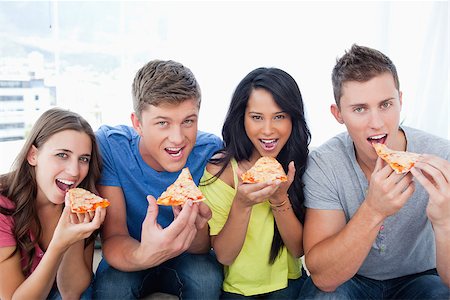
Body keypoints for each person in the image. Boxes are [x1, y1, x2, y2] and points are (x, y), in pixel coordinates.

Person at [299, 44, 450, 299]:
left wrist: (445, 222)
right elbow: (324, 278)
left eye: (386, 104)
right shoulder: (325, 164)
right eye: (360, 109)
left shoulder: (440, 157)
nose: (377, 123)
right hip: (351, 280)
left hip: (422, 278)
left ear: (400, 100)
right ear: (338, 114)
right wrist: (373, 210)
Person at [93, 59, 223, 299]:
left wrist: (197, 229)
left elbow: (202, 248)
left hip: (187, 256)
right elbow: (113, 237)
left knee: (207, 280)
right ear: (137, 124)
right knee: (113, 287)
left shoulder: (211, 151)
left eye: (188, 121)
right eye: (163, 123)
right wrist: (146, 253)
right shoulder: (111, 147)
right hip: (130, 249)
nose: (177, 138)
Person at [200, 67, 311, 298]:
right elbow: (224, 256)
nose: (268, 130)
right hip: (239, 289)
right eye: (257, 117)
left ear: (293, 118)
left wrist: (280, 199)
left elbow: (298, 249)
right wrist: (242, 204)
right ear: (242, 119)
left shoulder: (302, 165)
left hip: (289, 284)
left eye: (279, 116)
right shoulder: (221, 171)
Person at [0, 108, 107, 299]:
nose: (75, 171)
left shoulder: (83, 202)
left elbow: (73, 292)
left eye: (83, 159)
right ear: (33, 155)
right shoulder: (3, 206)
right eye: (62, 155)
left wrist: (73, 235)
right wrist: (58, 244)